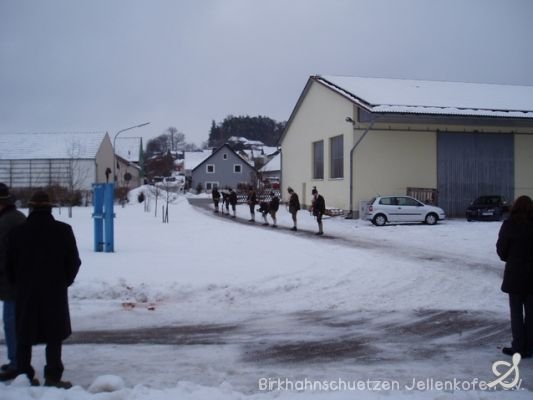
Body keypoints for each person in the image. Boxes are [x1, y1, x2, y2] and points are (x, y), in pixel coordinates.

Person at [6, 191, 81, 388]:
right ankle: (53, 376)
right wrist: (64, 281)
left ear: (31, 207)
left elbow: (8, 265)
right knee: (54, 335)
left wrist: (18, 283)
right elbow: (74, 262)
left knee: (24, 334)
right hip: (54, 291)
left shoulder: (17, 233)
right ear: (50, 208)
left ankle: (24, 375)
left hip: (25, 290)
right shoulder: (63, 231)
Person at [496, 195, 533, 358]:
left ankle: (518, 347)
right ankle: (530, 347)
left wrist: (511, 258)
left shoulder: (509, 225)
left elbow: (502, 250)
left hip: (515, 275)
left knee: (516, 314)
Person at [0, 184, 26, 382]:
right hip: (16, 279)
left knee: (11, 322)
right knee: (13, 322)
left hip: (12, 282)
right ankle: (16, 361)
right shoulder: (15, 218)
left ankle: (17, 363)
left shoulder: (7, 222)